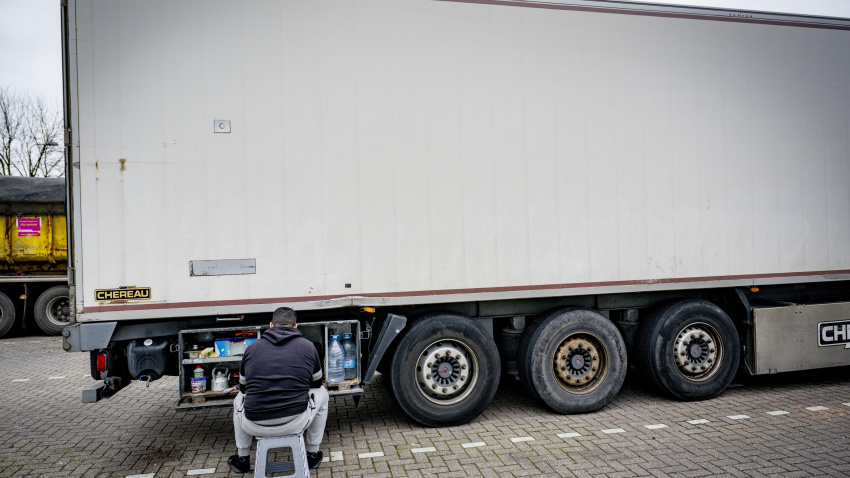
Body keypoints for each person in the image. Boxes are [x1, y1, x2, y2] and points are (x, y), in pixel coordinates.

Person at [228, 307, 329, 473]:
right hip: (295, 422)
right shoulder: (308, 347)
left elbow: (244, 387)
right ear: (296, 326)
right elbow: (317, 383)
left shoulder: (252, 348)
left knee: (239, 398)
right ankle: (312, 454)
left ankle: (242, 459)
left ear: (270, 325)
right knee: (323, 394)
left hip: (253, 424)